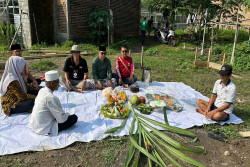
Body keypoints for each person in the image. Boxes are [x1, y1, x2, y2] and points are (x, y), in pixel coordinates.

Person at [30, 70, 78, 136]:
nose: (59, 85)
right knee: (74, 118)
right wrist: (67, 115)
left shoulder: (41, 90)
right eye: (58, 82)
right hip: (44, 128)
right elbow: (62, 119)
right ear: (52, 83)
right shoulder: (51, 98)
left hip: (34, 125)